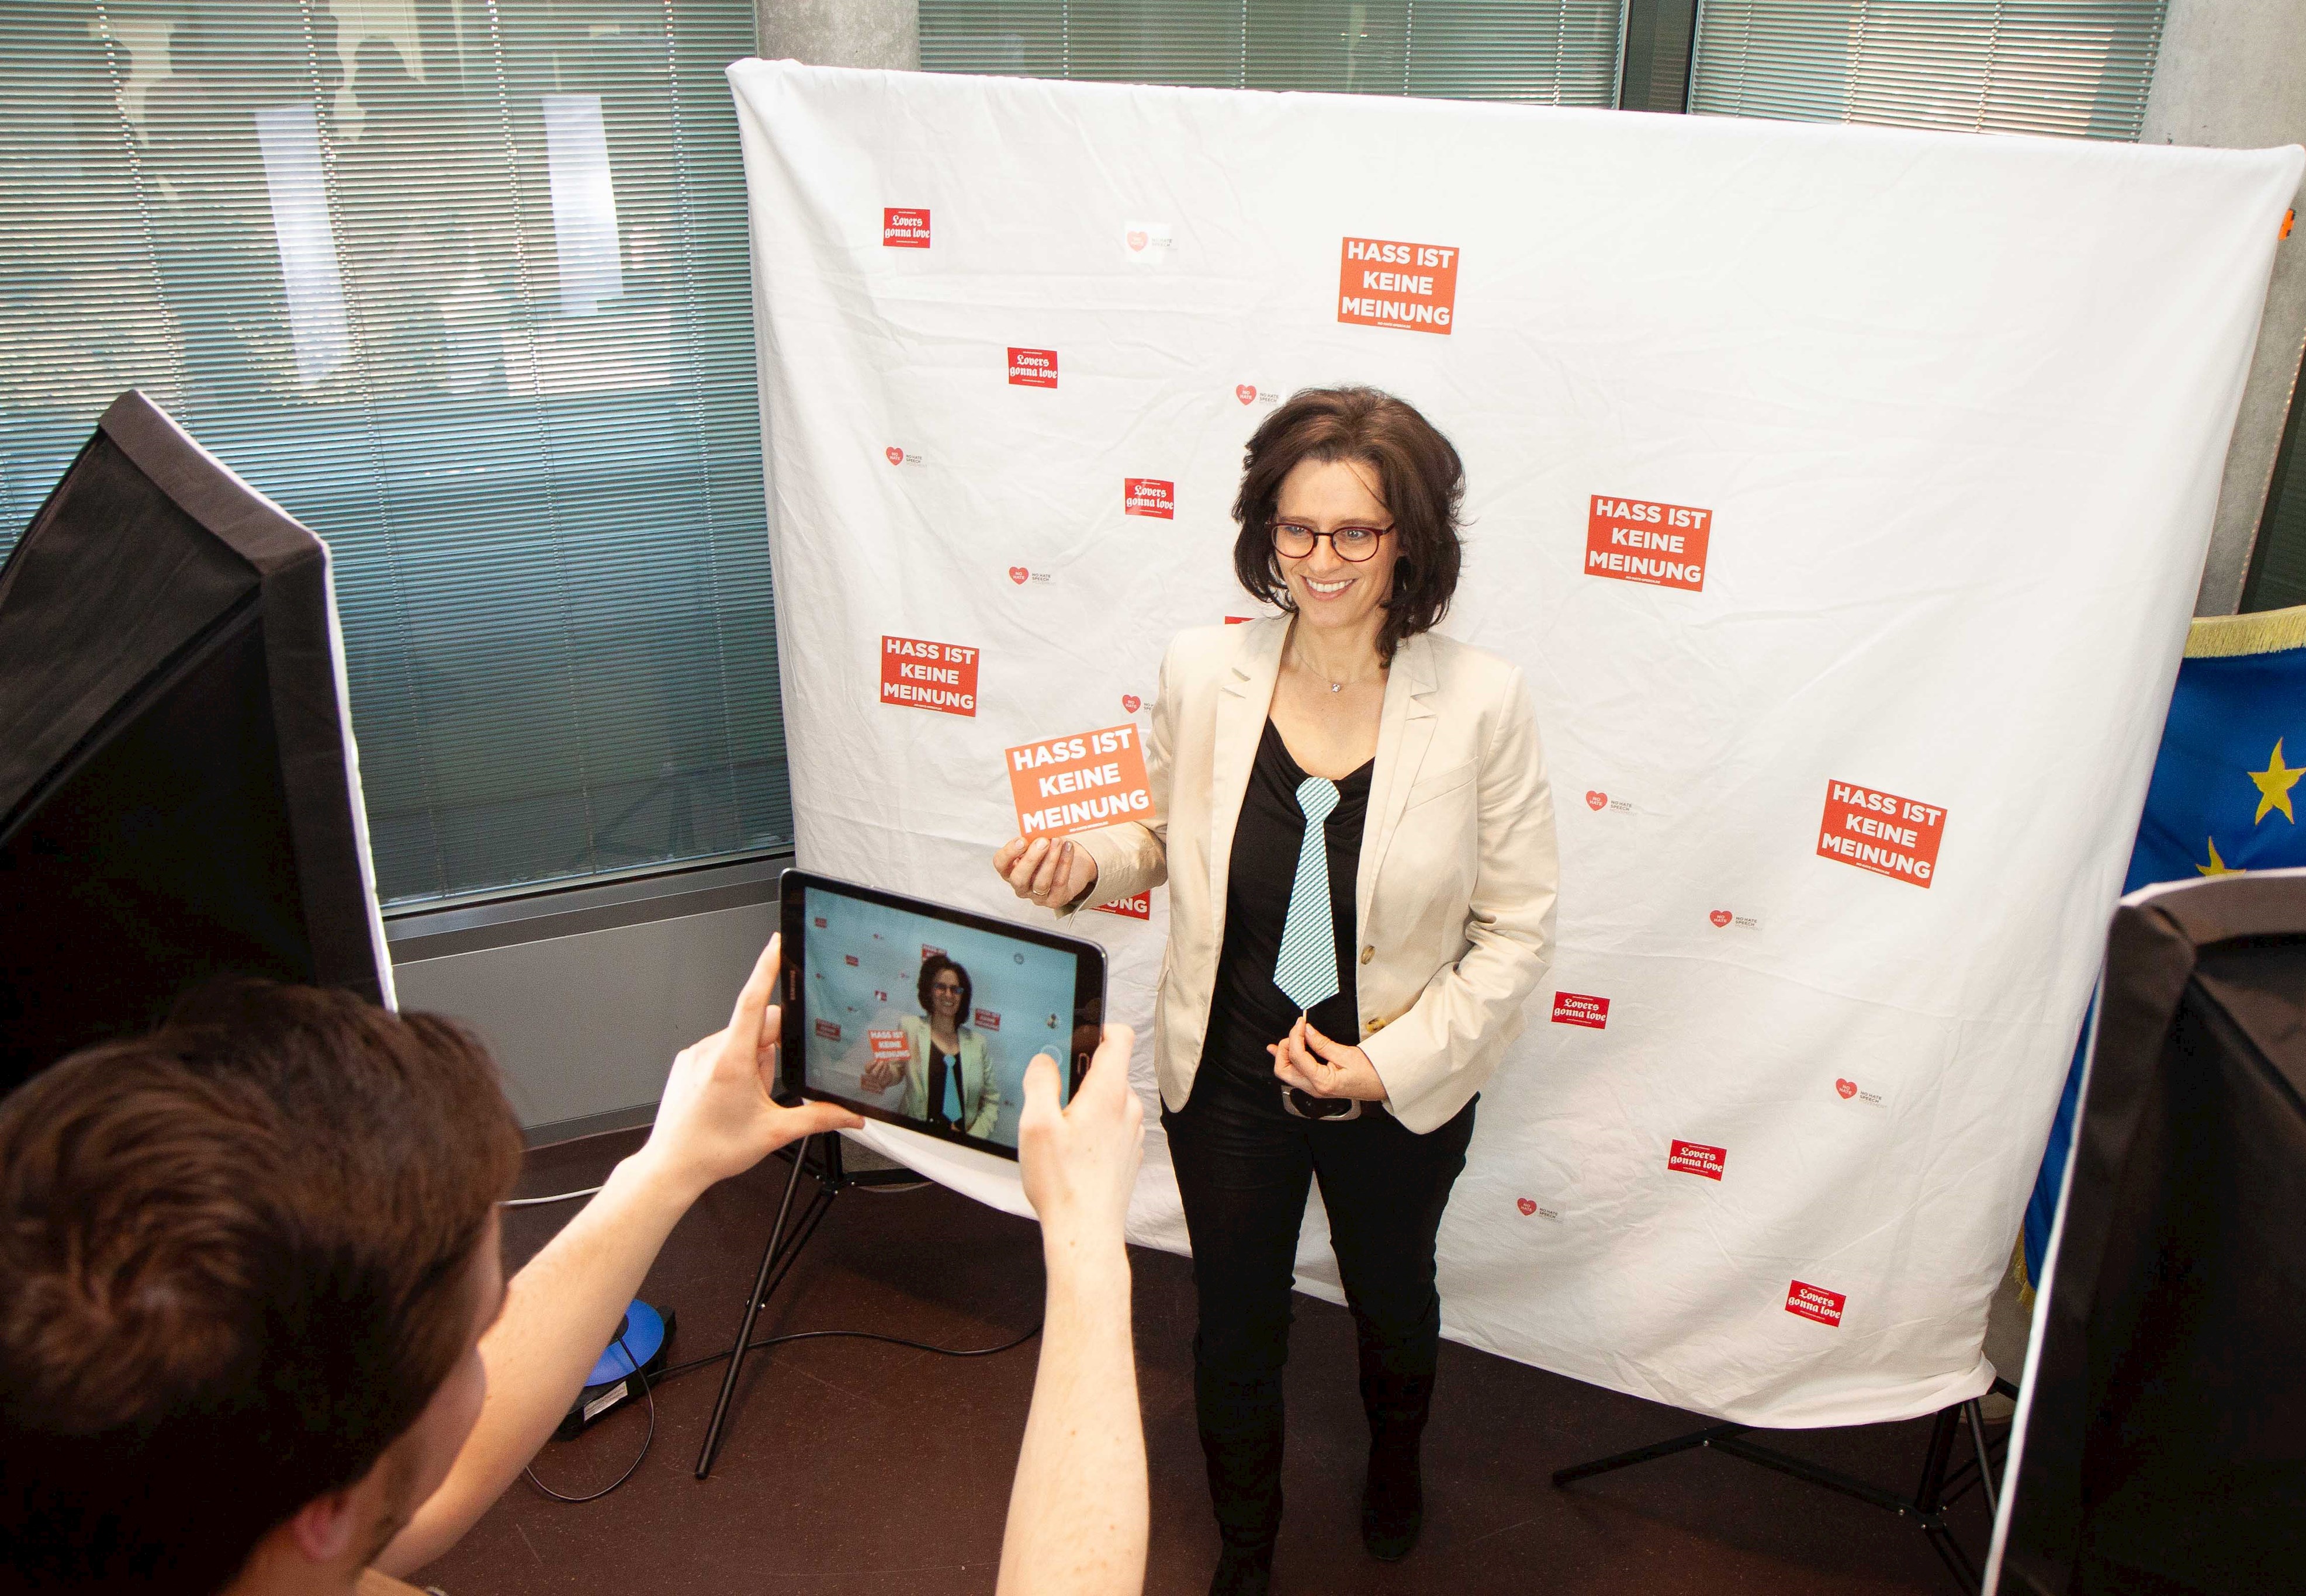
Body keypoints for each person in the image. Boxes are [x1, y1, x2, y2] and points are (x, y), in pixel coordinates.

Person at [0, 938, 1149, 1596]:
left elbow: (427, 1496)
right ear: (327, 1501)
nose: (503, 1308)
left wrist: (664, 1167)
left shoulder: (188, 1519)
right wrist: (1088, 1245)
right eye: (470, 1330)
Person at [993, 386, 1559, 1592]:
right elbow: (1148, 830)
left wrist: (1383, 1065)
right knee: (1232, 1327)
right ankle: (1244, 1548)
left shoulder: (1479, 701)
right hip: (1231, 1067)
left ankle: (1394, 1457)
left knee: (1393, 1295)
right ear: (1263, 533)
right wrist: (1081, 862)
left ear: (1407, 537)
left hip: (1393, 1083)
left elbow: (1515, 930)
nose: (1321, 559)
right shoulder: (1204, 670)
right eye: (1296, 530)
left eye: (1354, 531)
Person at [863, 953, 1002, 1138]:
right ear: (929, 990)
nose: (948, 995)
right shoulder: (909, 1027)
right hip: (916, 1135)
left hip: (963, 1141)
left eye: (956, 990)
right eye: (940, 987)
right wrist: (884, 1074)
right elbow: (897, 1070)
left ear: (963, 996)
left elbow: (992, 1100)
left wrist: (972, 1139)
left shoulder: (979, 1044)